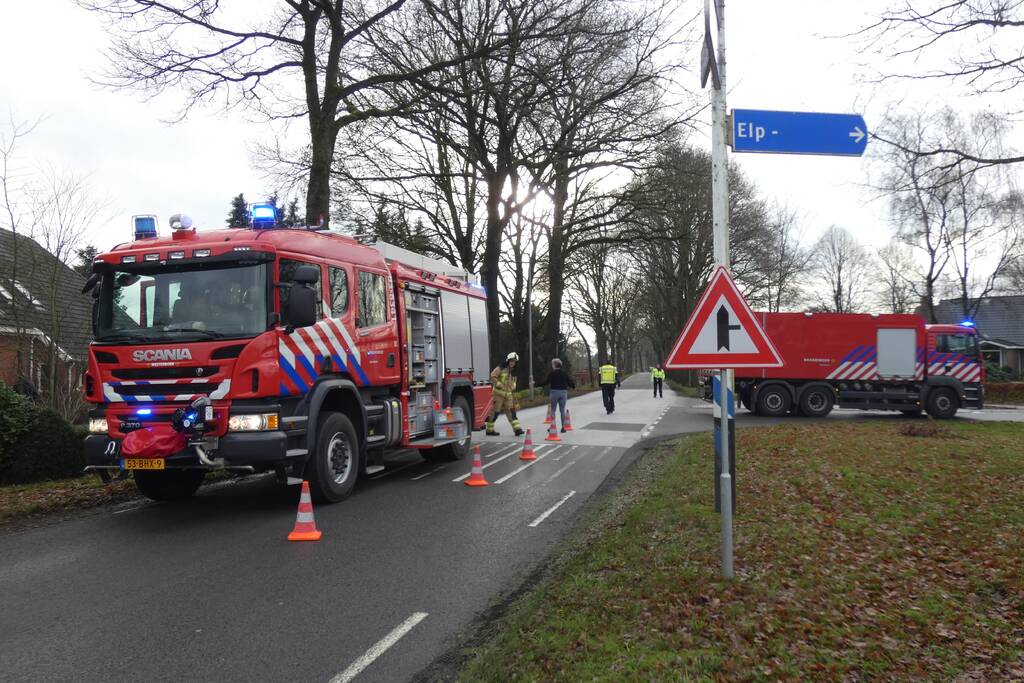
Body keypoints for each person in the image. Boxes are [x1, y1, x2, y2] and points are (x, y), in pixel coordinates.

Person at [487, 352, 524, 436]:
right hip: (498, 394)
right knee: (495, 412)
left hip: (508, 395)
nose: (513, 363)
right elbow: (492, 376)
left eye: (514, 362)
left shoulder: (514, 371)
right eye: (511, 361)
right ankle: (489, 430)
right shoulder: (500, 368)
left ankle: (517, 429)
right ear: (508, 360)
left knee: (512, 412)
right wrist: (499, 384)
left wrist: (513, 387)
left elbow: (513, 382)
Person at [538, 358, 576, 433]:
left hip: (554, 393)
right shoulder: (564, 373)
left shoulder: (552, 373)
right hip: (563, 393)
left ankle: (552, 426)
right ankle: (563, 428)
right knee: (562, 411)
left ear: (554, 365)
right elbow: (569, 382)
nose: (552, 366)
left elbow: (546, 382)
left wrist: (536, 384)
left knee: (553, 410)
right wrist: (573, 386)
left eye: (552, 364)